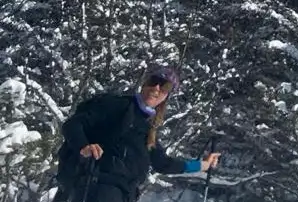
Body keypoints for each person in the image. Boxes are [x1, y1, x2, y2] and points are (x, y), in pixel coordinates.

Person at [53, 65, 222, 202]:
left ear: (167, 96)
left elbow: (162, 163)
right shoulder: (115, 105)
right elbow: (73, 124)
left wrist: (202, 165)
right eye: (154, 81)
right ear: (144, 83)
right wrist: (84, 146)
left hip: (120, 194)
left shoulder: (148, 129)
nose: (156, 88)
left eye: (164, 86)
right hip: (91, 187)